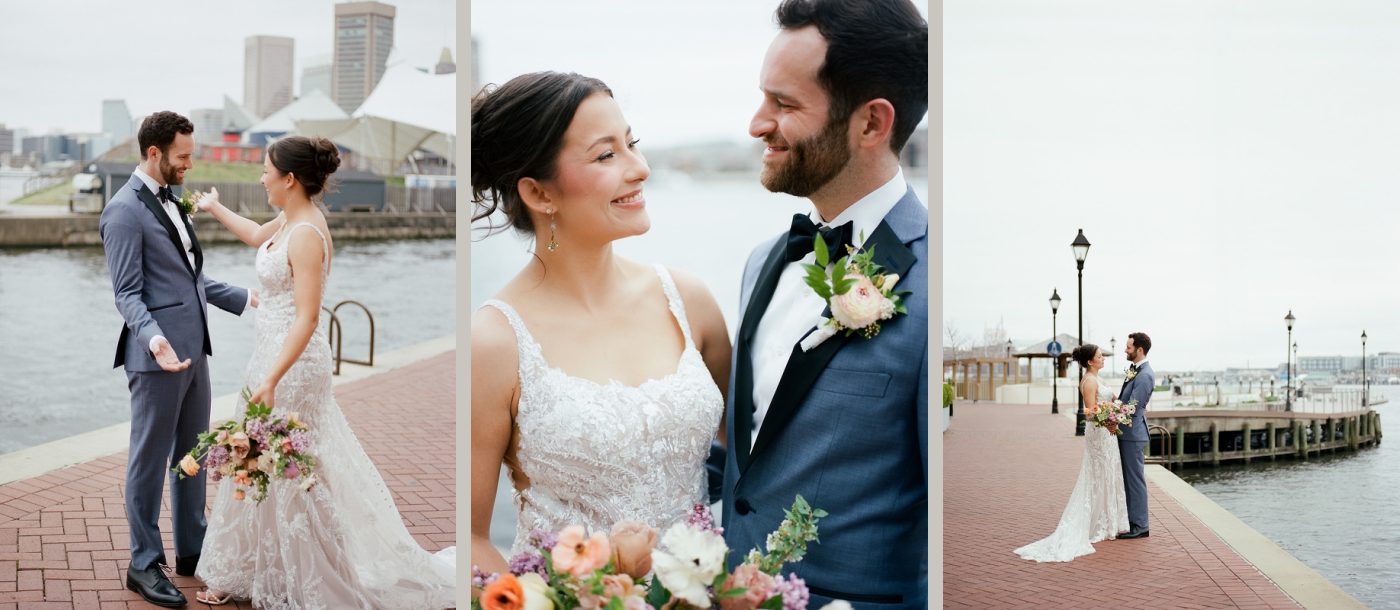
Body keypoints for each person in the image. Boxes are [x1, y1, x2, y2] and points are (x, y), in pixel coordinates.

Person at [469, 72, 732, 576]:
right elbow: (474, 539)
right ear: (539, 193)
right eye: (606, 155)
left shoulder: (689, 302)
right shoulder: (496, 341)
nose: (640, 169)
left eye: (632, 144)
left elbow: (750, 466)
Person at [721, 0, 929, 607]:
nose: (758, 124)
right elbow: (747, 463)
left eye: (784, 104)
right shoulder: (762, 262)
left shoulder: (931, 278)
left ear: (870, 124)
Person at [188, 136, 455, 607]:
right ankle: (255, 569)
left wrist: (271, 379)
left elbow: (308, 318)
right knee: (262, 458)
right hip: (268, 356)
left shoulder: (308, 232)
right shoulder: (291, 219)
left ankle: (311, 575)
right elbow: (254, 236)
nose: (261, 178)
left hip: (290, 365)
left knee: (285, 464)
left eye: (266, 171)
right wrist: (214, 207)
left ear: (288, 179)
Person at [99, 111, 257, 608]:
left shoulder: (172, 200)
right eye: (183, 156)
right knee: (148, 462)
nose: (191, 163)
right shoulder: (123, 210)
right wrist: (153, 339)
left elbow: (188, 279)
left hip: (196, 353)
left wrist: (243, 296)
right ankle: (143, 563)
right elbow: (127, 293)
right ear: (154, 153)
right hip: (156, 359)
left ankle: (192, 550)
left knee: (193, 455)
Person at [1014, 344, 1130, 562]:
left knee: (1108, 474)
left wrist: (1122, 409)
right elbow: (1089, 412)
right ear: (1089, 361)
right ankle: (1096, 524)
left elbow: (1111, 400)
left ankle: (1108, 521)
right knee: (1097, 475)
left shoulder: (1099, 379)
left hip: (1108, 433)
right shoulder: (1088, 381)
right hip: (1099, 434)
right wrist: (1109, 422)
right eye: (1099, 356)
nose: (1103, 358)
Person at [1117, 332, 1155, 539]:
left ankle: (1141, 525)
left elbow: (1132, 407)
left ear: (1139, 349)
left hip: (1133, 434)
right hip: (1128, 433)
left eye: (1128, 347)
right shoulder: (1136, 371)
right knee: (1129, 480)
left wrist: (1109, 417)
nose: (1125, 350)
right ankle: (1133, 521)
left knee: (1135, 480)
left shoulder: (1145, 375)